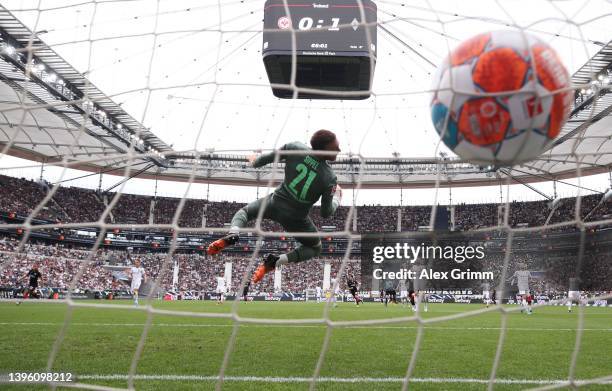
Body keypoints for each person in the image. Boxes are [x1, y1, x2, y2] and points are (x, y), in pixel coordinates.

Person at [207, 130, 342, 283]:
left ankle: (233, 234)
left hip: (274, 203)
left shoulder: (294, 147)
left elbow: (261, 161)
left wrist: (253, 160)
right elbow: (325, 213)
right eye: (335, 147)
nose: (339, 150)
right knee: (315, 248)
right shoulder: (330, 177)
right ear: (323, 149)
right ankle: (275, 261)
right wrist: (337, 198)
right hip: (296, 219)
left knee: (244, 213)